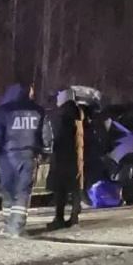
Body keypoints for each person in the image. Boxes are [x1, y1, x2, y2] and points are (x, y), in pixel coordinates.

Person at [0, 81, 47, 238]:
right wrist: (46, 151)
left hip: (7, 156)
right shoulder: (39, 111)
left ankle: (8, 225)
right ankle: (17, 227)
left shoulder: (4, 111)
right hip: (28, 156)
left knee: (8, 189)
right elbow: (46, 134)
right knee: (22, 191)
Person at [46, 88, 85, 231]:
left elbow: (60, 137)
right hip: (77, 156)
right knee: (75, 186)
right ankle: (74, 216)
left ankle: (59, 218)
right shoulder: (78, 114)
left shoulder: (62, 115)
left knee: (60, 188)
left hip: (63, 156)